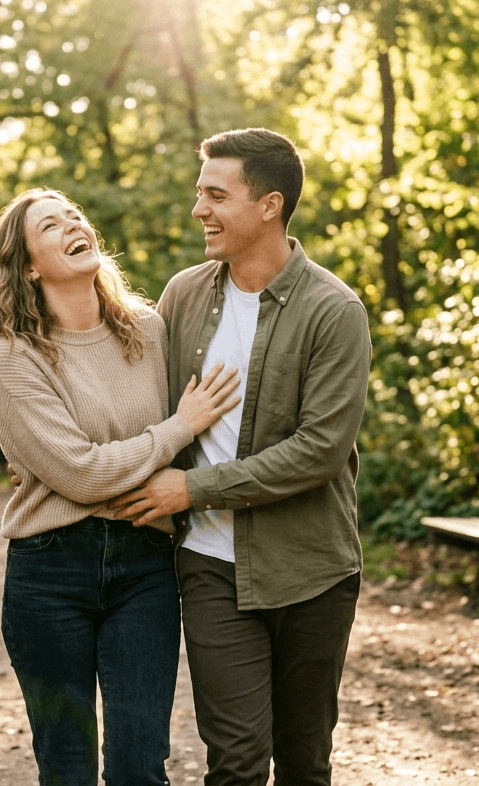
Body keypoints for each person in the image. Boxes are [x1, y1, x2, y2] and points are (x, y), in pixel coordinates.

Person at [110, 128, 371, 786]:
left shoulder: (335, 311)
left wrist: (192, 490)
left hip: (312, 571)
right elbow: (142, 401)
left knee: (304, 761)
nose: (199, 209)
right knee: (235, 763)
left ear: (269, 205)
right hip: (210, 568)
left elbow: (320, 450)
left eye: (216, 196)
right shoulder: (183, 295)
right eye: (200, 193)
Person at [0, 188, 240, 786]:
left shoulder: (147, 330)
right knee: (67, 767)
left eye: (75, 216)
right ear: (28, 266)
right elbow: (81, 473)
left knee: (140, 767)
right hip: (51, 571)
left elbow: (172, 456)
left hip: (145, 564)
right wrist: (178, 427)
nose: (72, 225)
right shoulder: (16, 356)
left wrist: (163, 456)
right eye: (50, 225)